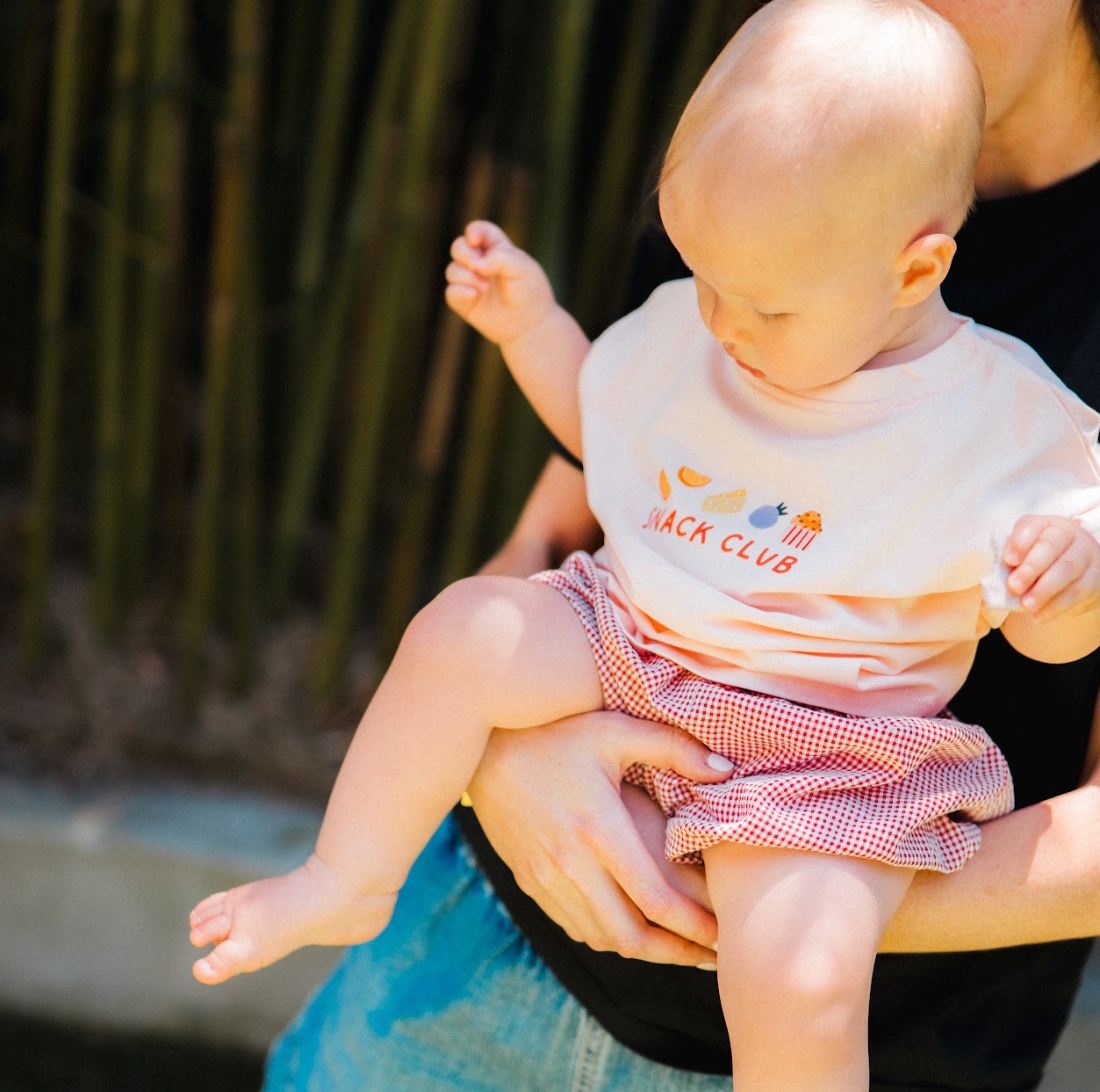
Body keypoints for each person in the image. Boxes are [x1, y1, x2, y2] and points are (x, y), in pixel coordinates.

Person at [259, 1, 1100, 1090]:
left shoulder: (1012, 416)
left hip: (846, 894)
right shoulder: (767, 142)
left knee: (797, 988)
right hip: (504, 911)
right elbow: (577, 489)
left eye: (765, 311)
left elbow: (1055, 647)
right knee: (464, 633)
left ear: (913, 271)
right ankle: (341, 879)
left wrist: (776, 887)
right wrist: (502, 764)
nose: (723, 326)